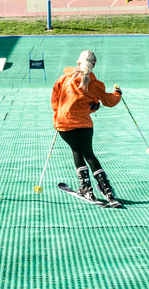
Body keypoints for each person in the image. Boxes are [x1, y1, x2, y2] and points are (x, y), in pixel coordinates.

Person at [50, 50, 123, 206]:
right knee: (89, 154)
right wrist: (117, 93)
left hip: (64, 123)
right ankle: (107, 191)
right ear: (94, 64)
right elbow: (109, 101)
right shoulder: (95, 84)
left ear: (78, 62)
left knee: (77, 151)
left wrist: (58, 114)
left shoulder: (64, 79)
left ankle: (86, 188)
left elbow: (56, 101)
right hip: (83, 124)